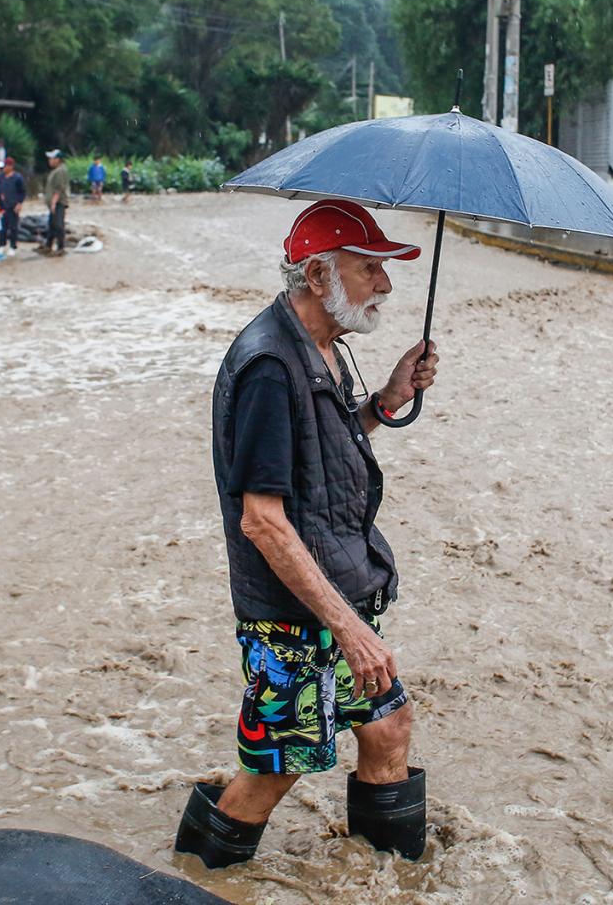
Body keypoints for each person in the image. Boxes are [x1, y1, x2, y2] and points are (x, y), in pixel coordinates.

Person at [174, 198, 440, 870]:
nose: (384, 284)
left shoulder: (323, 349)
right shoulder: (268, 366)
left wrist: (384, 401)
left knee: (387, 729)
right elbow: (261, 518)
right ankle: (198, 878)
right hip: (292, 617)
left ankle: (388, 883)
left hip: (339, 588)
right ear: (318, 276)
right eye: (369, 268)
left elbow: (320, 450)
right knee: (276, 768)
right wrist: (350, 631)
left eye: (383, 269)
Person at [40, 151, 69, 256]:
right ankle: (48, 246)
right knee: (52, 225)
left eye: (51, 159)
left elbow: (59, 189)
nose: (49, 161)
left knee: (58, 225)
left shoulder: (60, 171)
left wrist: (53, 203)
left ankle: (61, 247)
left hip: (58, 202)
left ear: (57, 159)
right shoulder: (56, 171)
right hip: (54, 203)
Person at [0, 156, 27, 256]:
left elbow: (23, 192)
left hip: (13, 206)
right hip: (3, 206)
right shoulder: (1, 177)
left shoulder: (17, 178)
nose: (3, 169)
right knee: (2, 227)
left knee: (13, 227)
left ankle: (13, 246)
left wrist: (19, 203)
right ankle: (1, 245)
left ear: (10, 166)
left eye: (5, 166)